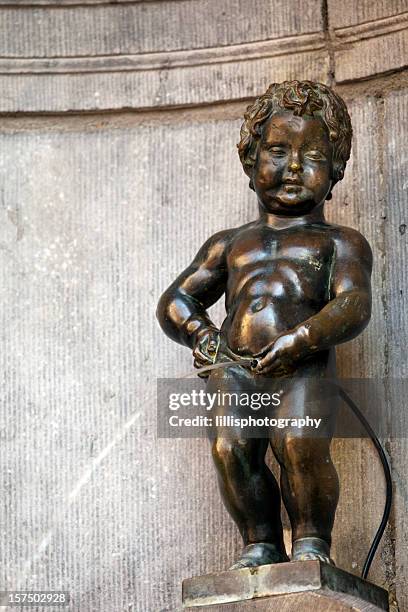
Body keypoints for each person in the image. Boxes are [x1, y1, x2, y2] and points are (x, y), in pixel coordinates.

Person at [156, 81, 372, 568]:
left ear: (336, 168)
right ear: (251, 162)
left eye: (312, 155)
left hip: (303, 365)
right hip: (234, 368)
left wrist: (303, 338)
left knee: (299, 444)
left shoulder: (340, 242)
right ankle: (260, 542)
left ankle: (313, 541)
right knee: (230, 448)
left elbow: (354, 303)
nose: (293, 167)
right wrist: (200, 333)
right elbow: (177, 299)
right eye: (277, 150)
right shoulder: (230, 243)